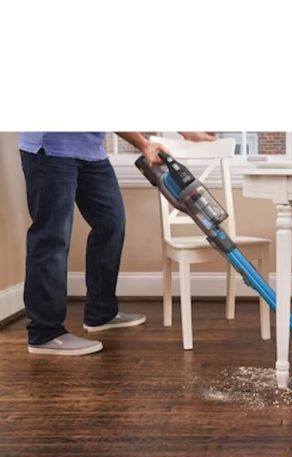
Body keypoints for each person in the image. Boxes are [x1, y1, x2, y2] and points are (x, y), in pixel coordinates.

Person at [19, 131, 216, 355]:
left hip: (91, 151)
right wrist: (144, 144)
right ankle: (45, 333)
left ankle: (101, 313)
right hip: (51, 150)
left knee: (111, 224)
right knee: (53, 238)